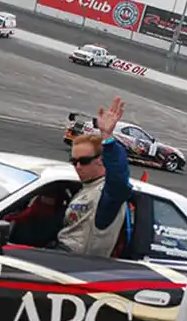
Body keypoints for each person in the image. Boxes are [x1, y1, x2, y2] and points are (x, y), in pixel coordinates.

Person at [54, 96, 133, 257]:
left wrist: (107, 137)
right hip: (59, 254)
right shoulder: (83, 189)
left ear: (101, 160)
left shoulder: (106, 193)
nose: (78, 167)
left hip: (77, 262)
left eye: (84, 161)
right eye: (74, 161)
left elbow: (119, 182)